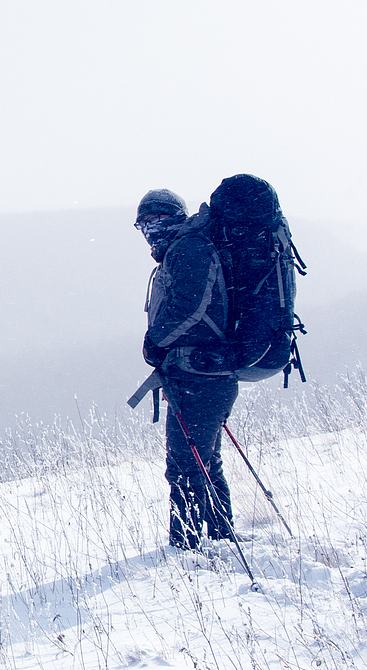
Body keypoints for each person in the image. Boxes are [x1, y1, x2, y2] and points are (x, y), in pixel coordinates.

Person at [134, 189, 239, 551]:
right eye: (144, 224)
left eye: (158, 220)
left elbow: (189, 309)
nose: (151, 229)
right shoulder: (182, 250)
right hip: (201, 374)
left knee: (184, 465)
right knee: (203, 459)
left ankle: (188, 546)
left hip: (202, 376)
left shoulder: (189, 249)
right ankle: (220, 535)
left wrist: (154, 341)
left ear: (176, 217)